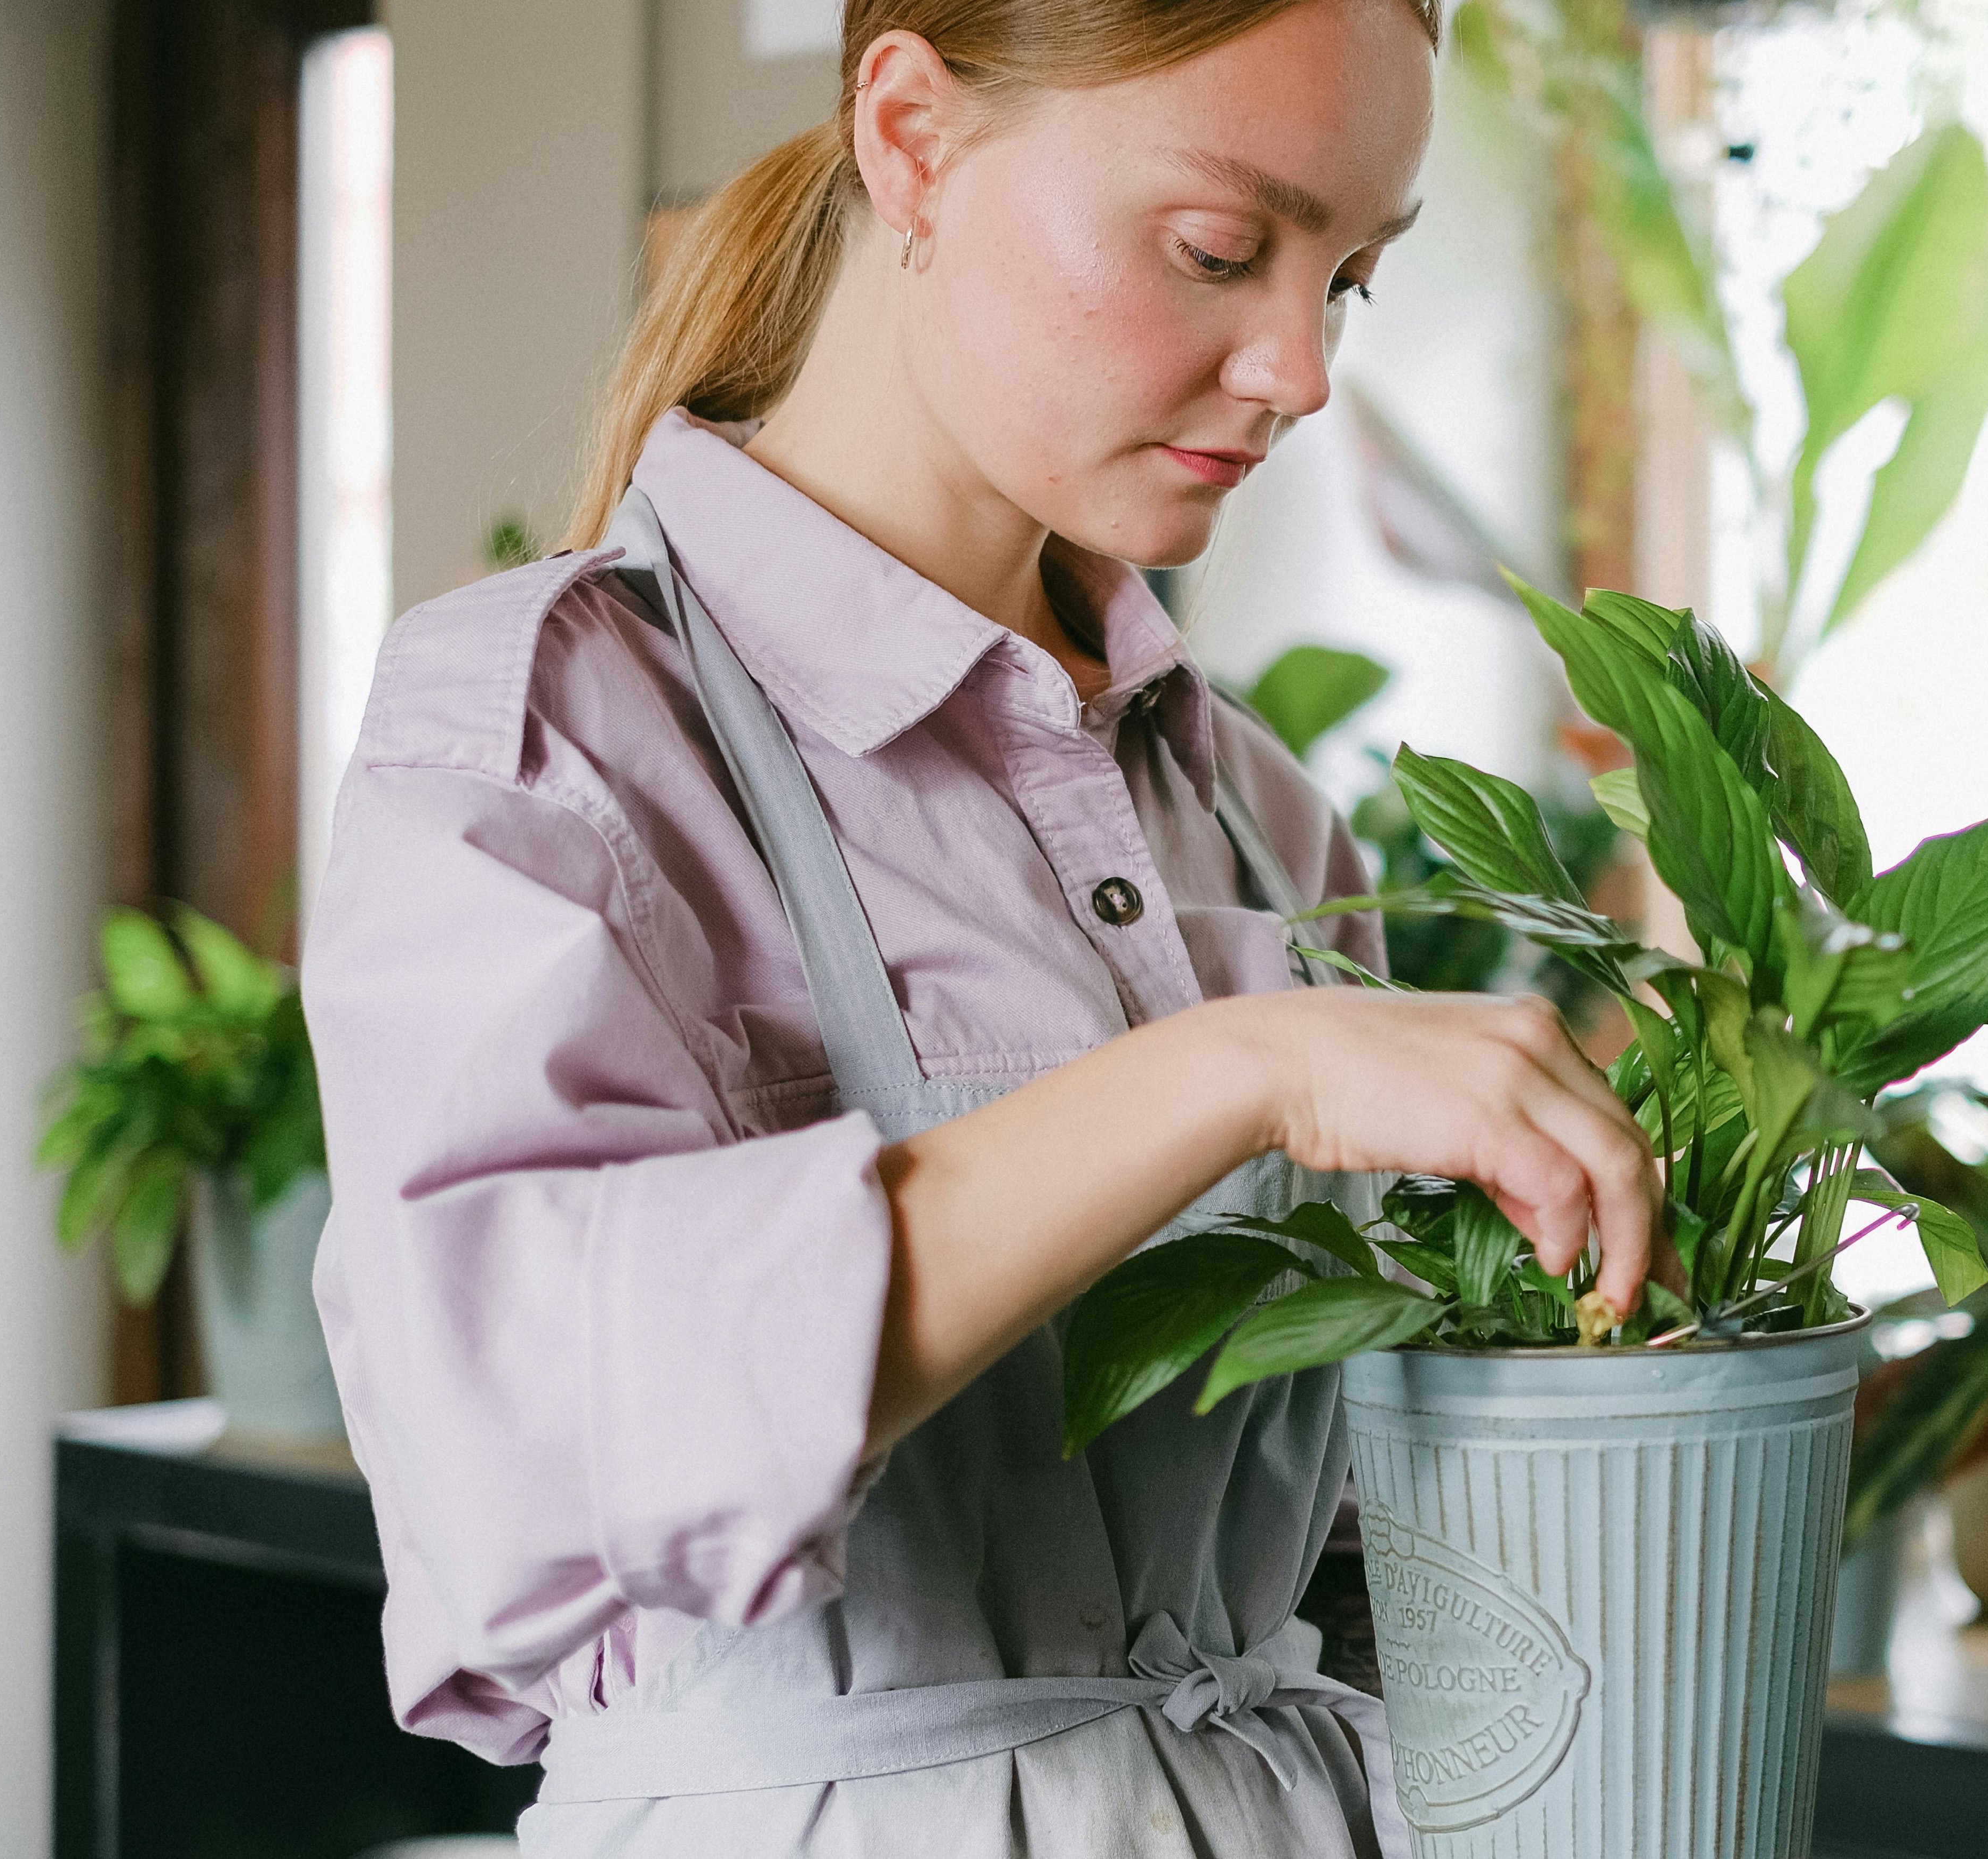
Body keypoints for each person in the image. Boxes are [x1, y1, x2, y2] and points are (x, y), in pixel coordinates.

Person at [304, 1, 1662, 1852]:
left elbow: (1336, 1535)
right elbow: (524, 1455)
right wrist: (1232, 1070)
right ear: (913, 134)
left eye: (1346, 278)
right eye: (1218, 248)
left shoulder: (1257, 819)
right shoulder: (552, 732)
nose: (1299, 368)